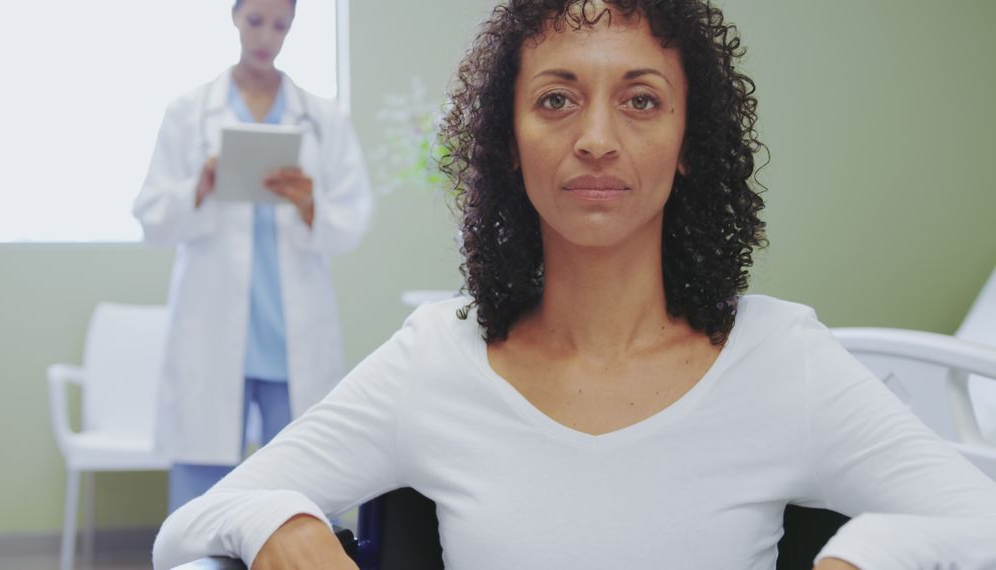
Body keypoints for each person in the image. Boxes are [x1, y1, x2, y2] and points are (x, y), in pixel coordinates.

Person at [152, 0, 996, 568]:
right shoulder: (437, 359)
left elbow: (980, 520)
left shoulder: (782, 359)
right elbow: (191, 523)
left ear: (688, 140)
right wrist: (284, 524)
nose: (595, 138)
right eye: (557, 100)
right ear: (506, 141)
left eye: (640, 100)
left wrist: (864, 557)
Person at [133, 0, 372, 513]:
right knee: (201, 486)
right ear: (235, 18)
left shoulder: (322, 118)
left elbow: (352, 220)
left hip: (291, 336)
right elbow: (152, 216)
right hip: (213, 328)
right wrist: (199, 187)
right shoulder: (189, 111)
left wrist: (310, 203)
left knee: (302, 481)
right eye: (256, 21)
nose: (266, 36)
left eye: (280, 25)